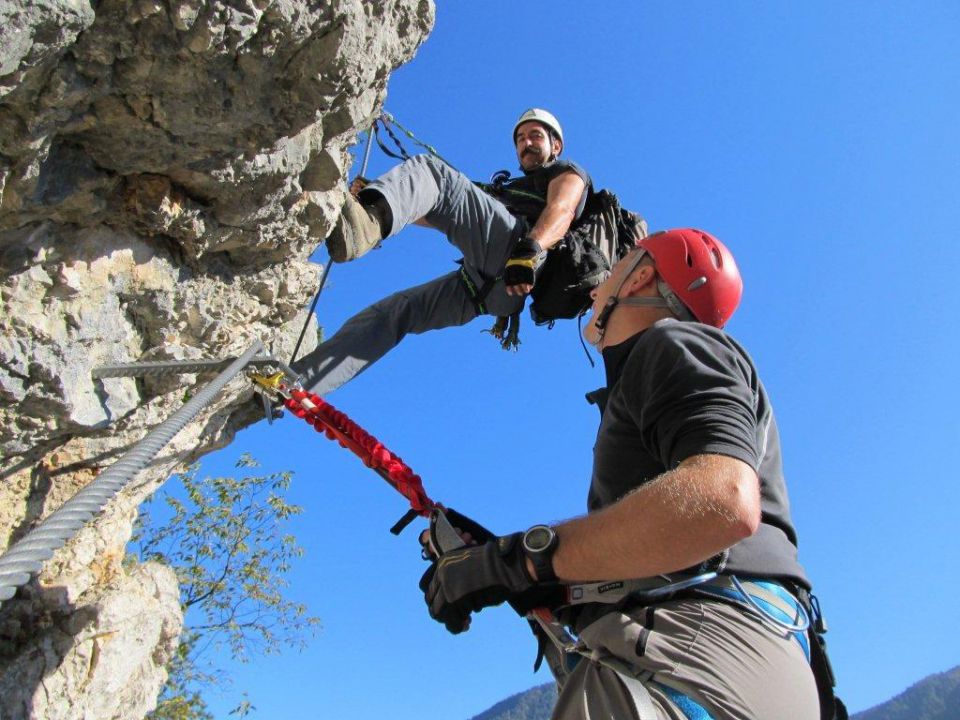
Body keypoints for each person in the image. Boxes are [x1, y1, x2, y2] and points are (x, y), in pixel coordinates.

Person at [420, 229, 842, 719]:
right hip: (735, 656)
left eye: (616, 266)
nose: (596, 287)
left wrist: (516, 561)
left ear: (641, 277)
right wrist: (511, 571)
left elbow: (722, 501)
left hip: (704, 648)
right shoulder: (665, 365)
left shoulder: (673, 342)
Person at [292, 108, 594, 395]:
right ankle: (297, 383)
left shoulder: (568, 171)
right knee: (395, 312)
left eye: (535, 136)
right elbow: (432, 206)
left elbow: (562, 209)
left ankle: (364, 229)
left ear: (556, 145)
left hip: (520, 262)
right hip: (484, 288)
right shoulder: (509, 191)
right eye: (520, 138)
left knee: (434, 173)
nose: (526, 143)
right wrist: (380, 195)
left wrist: (529, 250)